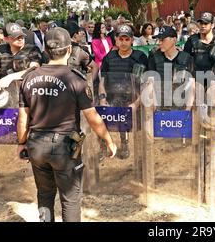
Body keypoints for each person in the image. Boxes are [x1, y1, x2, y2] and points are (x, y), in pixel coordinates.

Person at [17, 27, 117, 222]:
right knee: (70, 200)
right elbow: (92, 116)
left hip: (36, 143)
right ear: (69, 50)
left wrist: (22, 143)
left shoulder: (28, 78)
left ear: (46, 50)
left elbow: (23, 118)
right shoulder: (75, 79)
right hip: (65, 146)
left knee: (44, 195)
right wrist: (108, 139)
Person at [99, 25, 148, 159]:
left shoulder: (140, 57)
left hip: (132, 98)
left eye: (127, 39)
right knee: (100, 116)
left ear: (132, 40)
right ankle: (103, 145)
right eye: (121, 39)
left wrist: (137, 103)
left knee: (128, 123)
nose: (123, 42)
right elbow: (102, 81)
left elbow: (146, 83)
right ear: (116, 40)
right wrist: (102, 99)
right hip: (111, 96)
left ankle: (125, 143)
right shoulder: (109, 57)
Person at [0, 23, 42, 90]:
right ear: (6, 39)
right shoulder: (0, 50)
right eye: (16, 37)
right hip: (7, 93)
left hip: (27, 90)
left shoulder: (32, 49)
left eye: (21, 36)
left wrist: (11, 77)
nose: (20, 39)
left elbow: (34, 68)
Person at [148, 26, 194, 110]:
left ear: (174, 40)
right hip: (160, 107)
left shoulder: (187, 58)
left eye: (162, 40)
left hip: (181, 106)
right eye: (159, 40)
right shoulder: (154, 58)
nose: (159, 43)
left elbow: (192, 85)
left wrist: (187, 110)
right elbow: (151, 84)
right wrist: (155, 107)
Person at [184, 12, 215, 86]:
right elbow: (185, 61)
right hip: (196, 82)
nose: (202, 26)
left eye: (206, 23)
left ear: (212, 25)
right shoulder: (191, 40)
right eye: (201, 23)